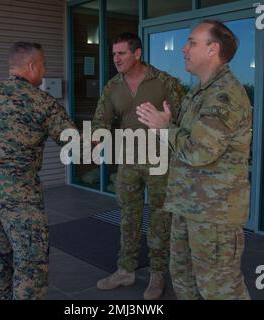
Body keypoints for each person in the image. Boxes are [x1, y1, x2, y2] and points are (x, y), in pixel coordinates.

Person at [136, 20, 252, 300]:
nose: (183, 48)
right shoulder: (200, 91)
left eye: (192, 42)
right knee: (185, 283)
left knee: (221, 291)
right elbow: (189, 140)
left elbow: (200, 151)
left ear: (213, 49)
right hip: (189, 207)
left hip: (214, 216)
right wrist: (168, 125)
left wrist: (165, 129)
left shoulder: (223, 96)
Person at [0, 42, 76, 300]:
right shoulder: (42, 102)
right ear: (32, 65)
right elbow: (73, 143)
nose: (44, 71)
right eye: (43, 64)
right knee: (30, 265)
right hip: (21, 198)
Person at [93, 32, 185, 300]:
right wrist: (98, 137)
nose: (116, 59)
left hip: (160, 161)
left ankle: (157, 275)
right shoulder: (113, 86)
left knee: (160, 217)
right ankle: (126, 270)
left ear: (137, 54)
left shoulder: (165, 82)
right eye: (114, 54)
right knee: (128, 216)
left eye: (121, 53)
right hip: (128, 160)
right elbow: (101, 119)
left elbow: (184, 119)